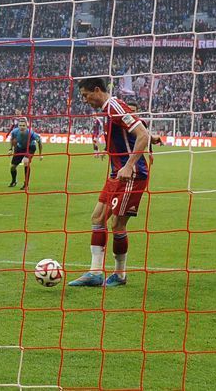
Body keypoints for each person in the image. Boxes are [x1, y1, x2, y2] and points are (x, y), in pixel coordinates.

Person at [69, 77, 152, 288]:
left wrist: (129, 164)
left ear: (97, 90)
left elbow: (143, 134)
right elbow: (139, 129)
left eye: (86, 95)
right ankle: (95, 273)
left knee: (117, 224)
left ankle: (120, 274)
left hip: (131, 175)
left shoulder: (114, 107)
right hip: (116, 174)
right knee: (97, 217)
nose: (85, 100)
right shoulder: (108, 110)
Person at [8, 117, 42, 190]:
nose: (22, 127)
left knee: (26, 162)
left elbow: (39, 142)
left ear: (27, 126)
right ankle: (14, 181)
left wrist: (40, 154)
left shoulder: (32, 133)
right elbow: (12, 139)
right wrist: (10, 149)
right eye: (20, 125)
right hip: (19, 148)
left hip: (30, 147)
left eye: (24, 125)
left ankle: (26, 184)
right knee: (13, 167)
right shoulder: (14, 132)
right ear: (18, 126)